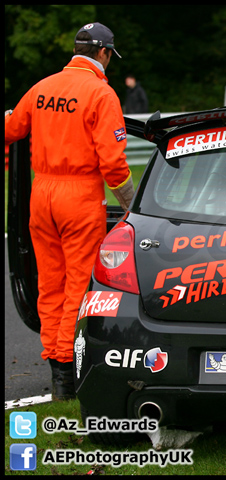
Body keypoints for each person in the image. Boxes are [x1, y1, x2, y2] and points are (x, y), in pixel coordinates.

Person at [4, 22, 134, 400]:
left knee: (49, 284)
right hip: (78, 198)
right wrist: (131, 207)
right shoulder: (100, 93)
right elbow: (113, 165)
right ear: (105, 53)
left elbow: (11, 129)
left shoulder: (42, 87)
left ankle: (54, 364)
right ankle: (68, 369)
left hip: (41, 196)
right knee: (78, 283)